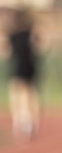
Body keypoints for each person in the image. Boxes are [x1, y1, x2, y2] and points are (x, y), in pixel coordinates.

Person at [6, 7, 42, 141]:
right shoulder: (30, 34)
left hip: (18, 68)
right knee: (31, 94)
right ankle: (32, 121)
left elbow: (7, 52)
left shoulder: (13, 35)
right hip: (30, 67)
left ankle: (22, 122)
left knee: (18, 95)